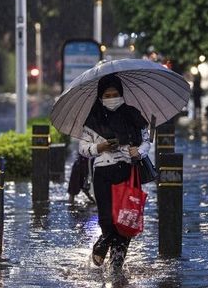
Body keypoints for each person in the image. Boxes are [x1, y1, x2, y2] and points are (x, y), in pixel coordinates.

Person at [79, 74, 151, 271]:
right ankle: (103, 242)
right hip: (103, 174)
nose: (112, 98)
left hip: (129, 171)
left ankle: (116, 263)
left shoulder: (133, 115)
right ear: (101, 97)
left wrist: (139, 151)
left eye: (115, 94)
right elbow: (82, 148)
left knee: (126, 218)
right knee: (107, 219)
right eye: (107, 95)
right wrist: (99, 147)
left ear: (122, 94)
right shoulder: (93, 119)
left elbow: (146, 140)